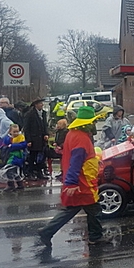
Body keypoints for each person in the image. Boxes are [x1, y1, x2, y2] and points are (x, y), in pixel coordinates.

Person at [37, 106, 106, 247]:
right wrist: (72, 183)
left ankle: (47, 231)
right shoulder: (81, 138)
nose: (94, 124)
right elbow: (76, 161)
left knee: (72, 209)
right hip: (83, 181)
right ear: (87, 123)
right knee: (93, 209)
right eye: (93, 121)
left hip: (79, 179)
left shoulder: (73, 134)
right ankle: (95, 237)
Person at [23, 97, 50, 180]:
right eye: (40, 103)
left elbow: (45, 125)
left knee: (41, 157)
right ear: (36, 105)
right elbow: (26, 128)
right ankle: (30, 173)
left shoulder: (43, 113)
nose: (42, 105)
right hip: (34, 139)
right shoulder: (30, 114)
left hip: (42, 139)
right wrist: (29, 140)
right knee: (32, 157)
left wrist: (46, 134)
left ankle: (39, 172)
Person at [1, 124, 27, 192]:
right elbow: (4, 144)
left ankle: (11, 185)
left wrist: (12, 146)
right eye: (14, 132)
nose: (16, 133)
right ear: (10, 132)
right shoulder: (7, 138)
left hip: (16, 156)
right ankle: (20, 184)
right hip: (9, 156)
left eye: (17, 131)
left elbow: (23, 145)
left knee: (10, 170)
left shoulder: (21, 137)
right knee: (13, 171)